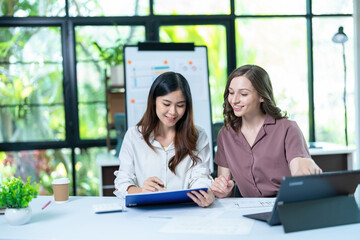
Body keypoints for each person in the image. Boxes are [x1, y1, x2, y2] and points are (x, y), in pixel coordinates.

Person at [211, 64, 322, 198]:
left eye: (243, 94)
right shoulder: (225, 134)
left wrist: (306, 165)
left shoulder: (287, 128)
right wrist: (222, 190)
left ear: (262, 96)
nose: (234, 100)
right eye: (231, 92)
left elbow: (298, 166)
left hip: (286, 205)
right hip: (247, 210)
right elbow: (225, 189)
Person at [114, 71, 214, 207]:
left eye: (180, 105)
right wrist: (141, 191)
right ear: (153, 101)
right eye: (166, 104)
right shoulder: (134, 136)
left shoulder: (198, 136)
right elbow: (123, 181)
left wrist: (205, 192)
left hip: (185, 212)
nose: (173, 112)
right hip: (144, 214)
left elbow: (201, 177)